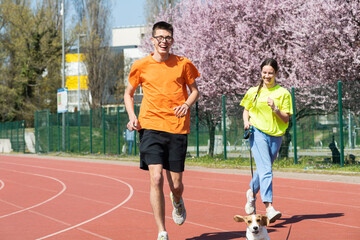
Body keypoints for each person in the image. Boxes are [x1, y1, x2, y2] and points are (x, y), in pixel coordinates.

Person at [123, 21, 200, 240]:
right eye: (159, 38)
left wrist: (186, 105)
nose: (163, 42)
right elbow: (128, 94)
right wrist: (132, 117)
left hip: (176, 128)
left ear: (172, 40)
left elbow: (195, 91)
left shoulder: (183, 64)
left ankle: (177, 200)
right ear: (152, 40)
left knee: (175, 185)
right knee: (155, 178)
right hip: (150, 127)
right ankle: (162, 231)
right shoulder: (140, 65)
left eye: (168, 38)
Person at [240, 58, 293, 223]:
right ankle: (269, 207)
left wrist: (275, 108)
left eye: (270, 73)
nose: (267, 75)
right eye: (264, 72)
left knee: (264, 168)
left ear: (276, 73)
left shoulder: (283, 93)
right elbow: (246, 110)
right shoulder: (253, 91)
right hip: (257, 133)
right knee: (267, 170)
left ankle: (251, 192)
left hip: (276, 136)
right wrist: (246, 122)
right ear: (261, 73)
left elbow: (285, 119)